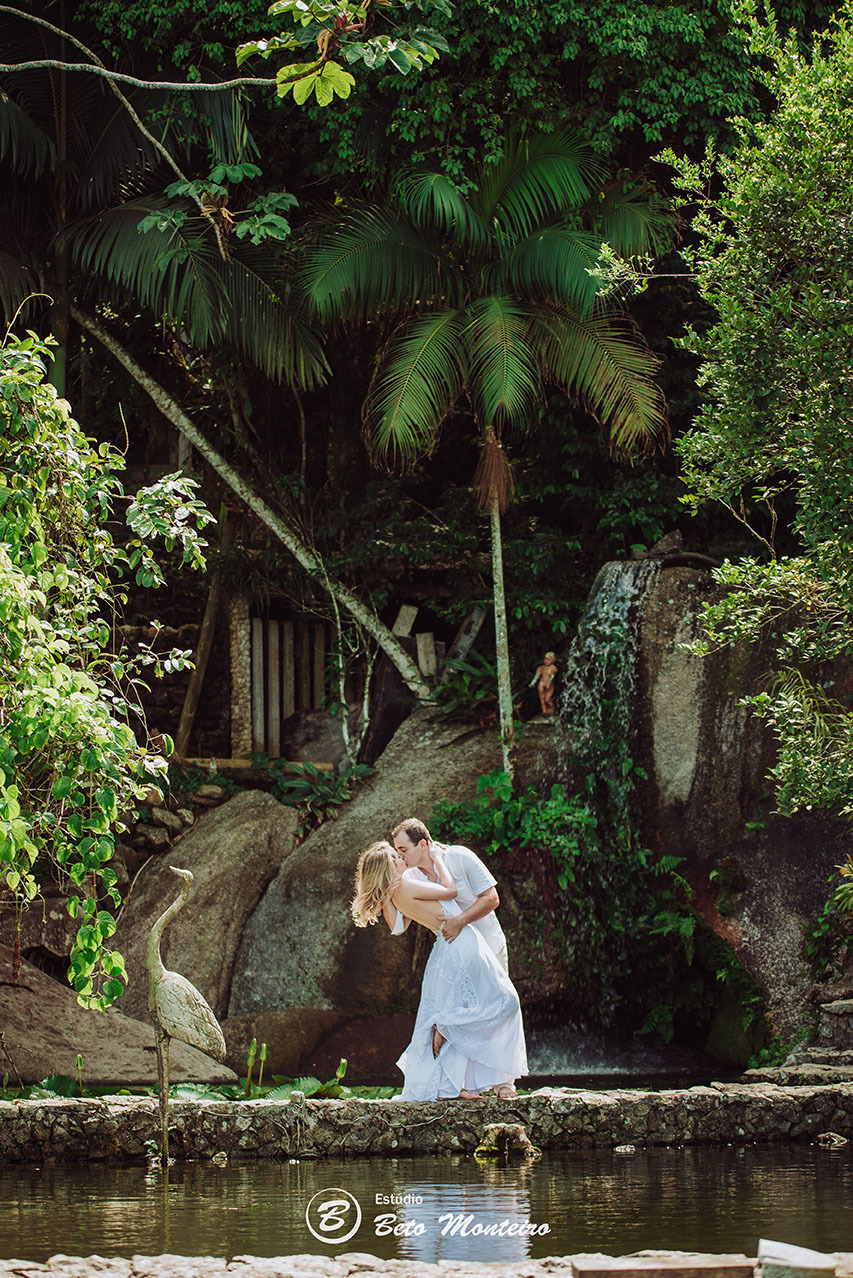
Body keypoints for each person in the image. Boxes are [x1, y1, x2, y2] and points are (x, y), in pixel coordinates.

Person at [351, 842, 527, 1102]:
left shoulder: (394, 893)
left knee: (470, 1003)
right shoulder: (407, 885)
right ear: (389, 866)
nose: (401, 858)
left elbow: (398, 928)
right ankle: (446, 1025)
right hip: (462, 943)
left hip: (445, 950)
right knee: (505, 1001)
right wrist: (437, 858)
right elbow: (450, 890)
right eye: (396, 856)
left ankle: (451, 1086)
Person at [391, 818, 508, 970]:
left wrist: (460, 921)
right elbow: (401, 924)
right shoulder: (410, 878)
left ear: (422, 844)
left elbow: (491, 898)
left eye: (404, 850)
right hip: (456, 956)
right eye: (397, 851)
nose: (400, 857)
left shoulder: (460, 856)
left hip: (490, 944)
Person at [530, 651, 558, 716]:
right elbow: (537, 676)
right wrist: (532, 683)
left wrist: (548, 684)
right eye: (545, 659)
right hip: (541, 683)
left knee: (547, 699)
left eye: (548, 659)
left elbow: (552, 677)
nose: (546, 661)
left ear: (552, 660)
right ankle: (544, 711)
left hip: (549, 685)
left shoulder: (553, 668)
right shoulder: (541, 668)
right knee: (542, 699)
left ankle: (552, 708)